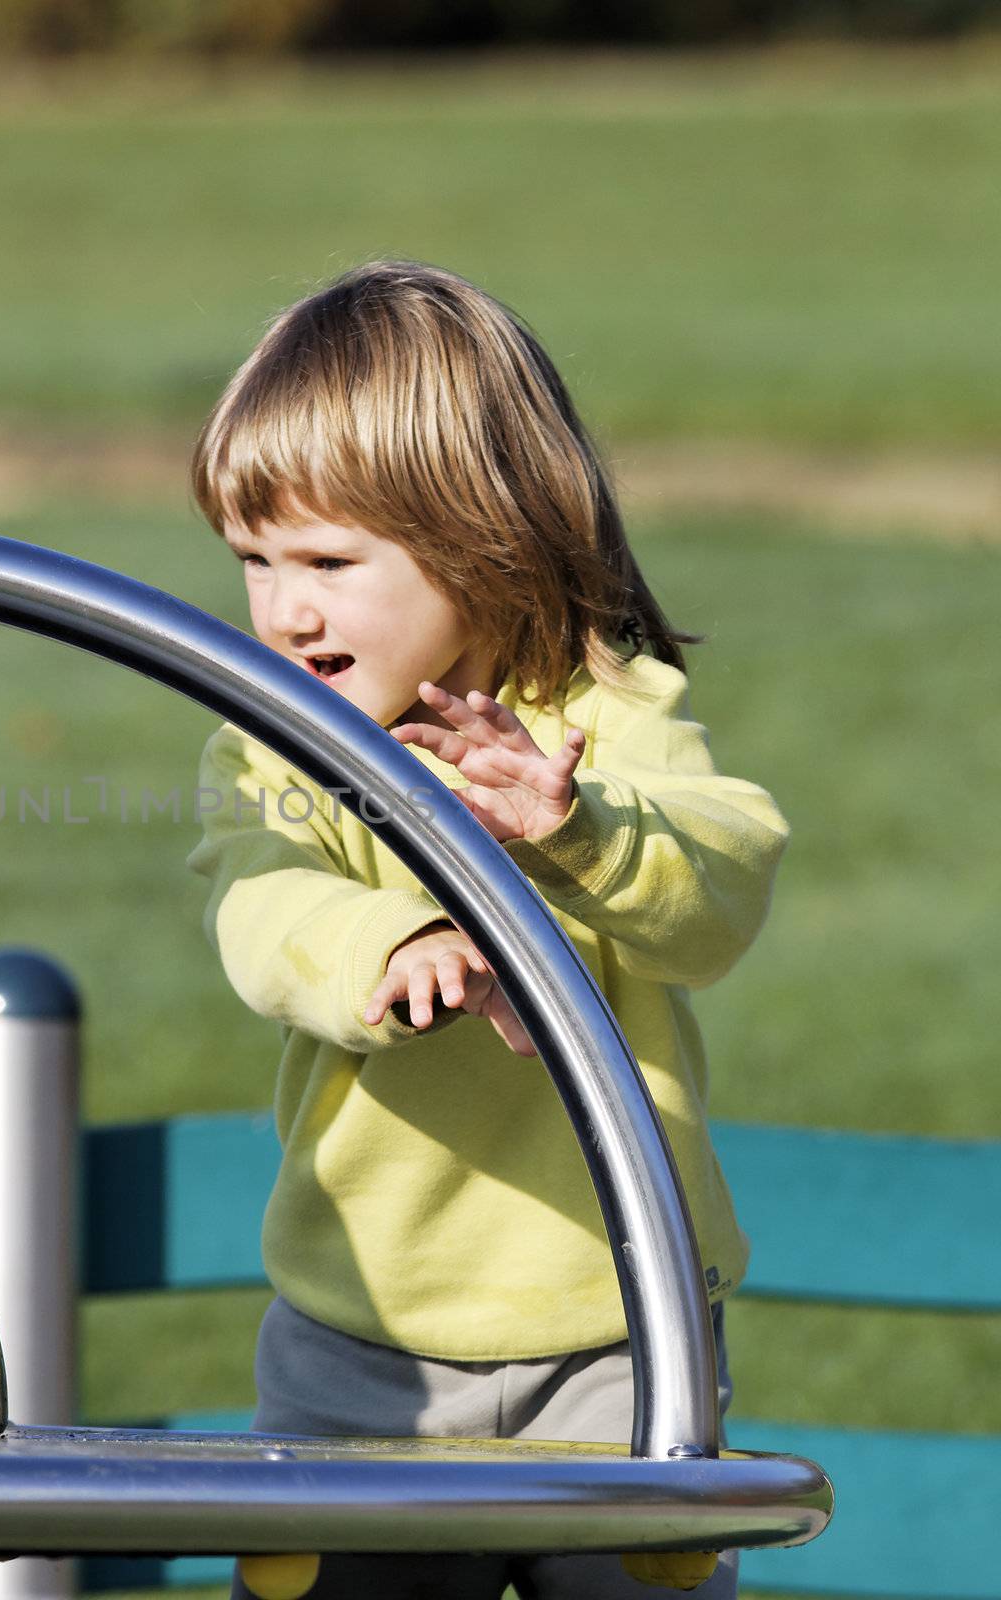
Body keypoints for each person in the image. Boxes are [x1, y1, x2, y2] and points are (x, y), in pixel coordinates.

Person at [186, 261, 788, 1600]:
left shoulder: (607, 724)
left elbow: (721, 894)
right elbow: (256, 904)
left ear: (481, 538)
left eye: (330, 563)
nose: (284, 610)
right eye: (255, 562)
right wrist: (391, 948)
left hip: (620, 1332)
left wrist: (579, 832)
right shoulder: (271, 745)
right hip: (367, 1336)